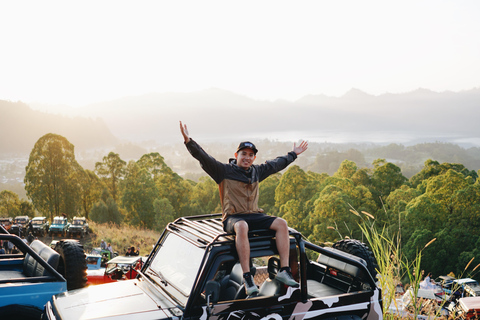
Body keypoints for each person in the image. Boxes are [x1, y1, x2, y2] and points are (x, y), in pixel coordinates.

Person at [180, 121, 308, 295]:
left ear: (254, 158)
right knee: (242, 226)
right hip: (233, 218)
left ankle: (284, 270)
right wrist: (189, 141)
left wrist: (294, 154)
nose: (247, 157)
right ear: (236, 155)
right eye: (243, 154)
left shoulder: (257, 171)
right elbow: (203, 157)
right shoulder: (223, 171)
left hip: (253, 215)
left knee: (282, 223)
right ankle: (248, 277)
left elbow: (277, 163)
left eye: (250, 155)